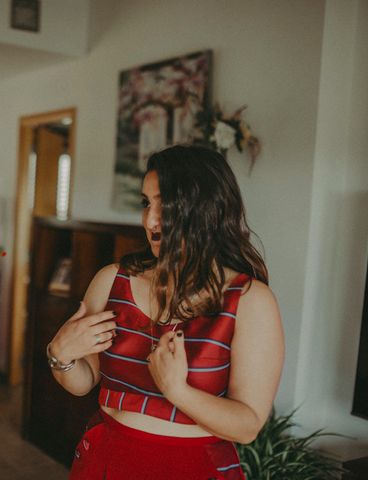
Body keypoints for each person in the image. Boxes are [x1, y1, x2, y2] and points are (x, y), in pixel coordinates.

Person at [48, 145, 284, 479]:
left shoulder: (250, 301)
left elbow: (247, 427)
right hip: (105, 460)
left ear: (206, 210)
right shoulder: (112, 280)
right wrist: (61, 355)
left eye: (165, 204)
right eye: (146, 202)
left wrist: (178, 391)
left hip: (191, 469)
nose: (149, 219)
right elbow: (83, 381)